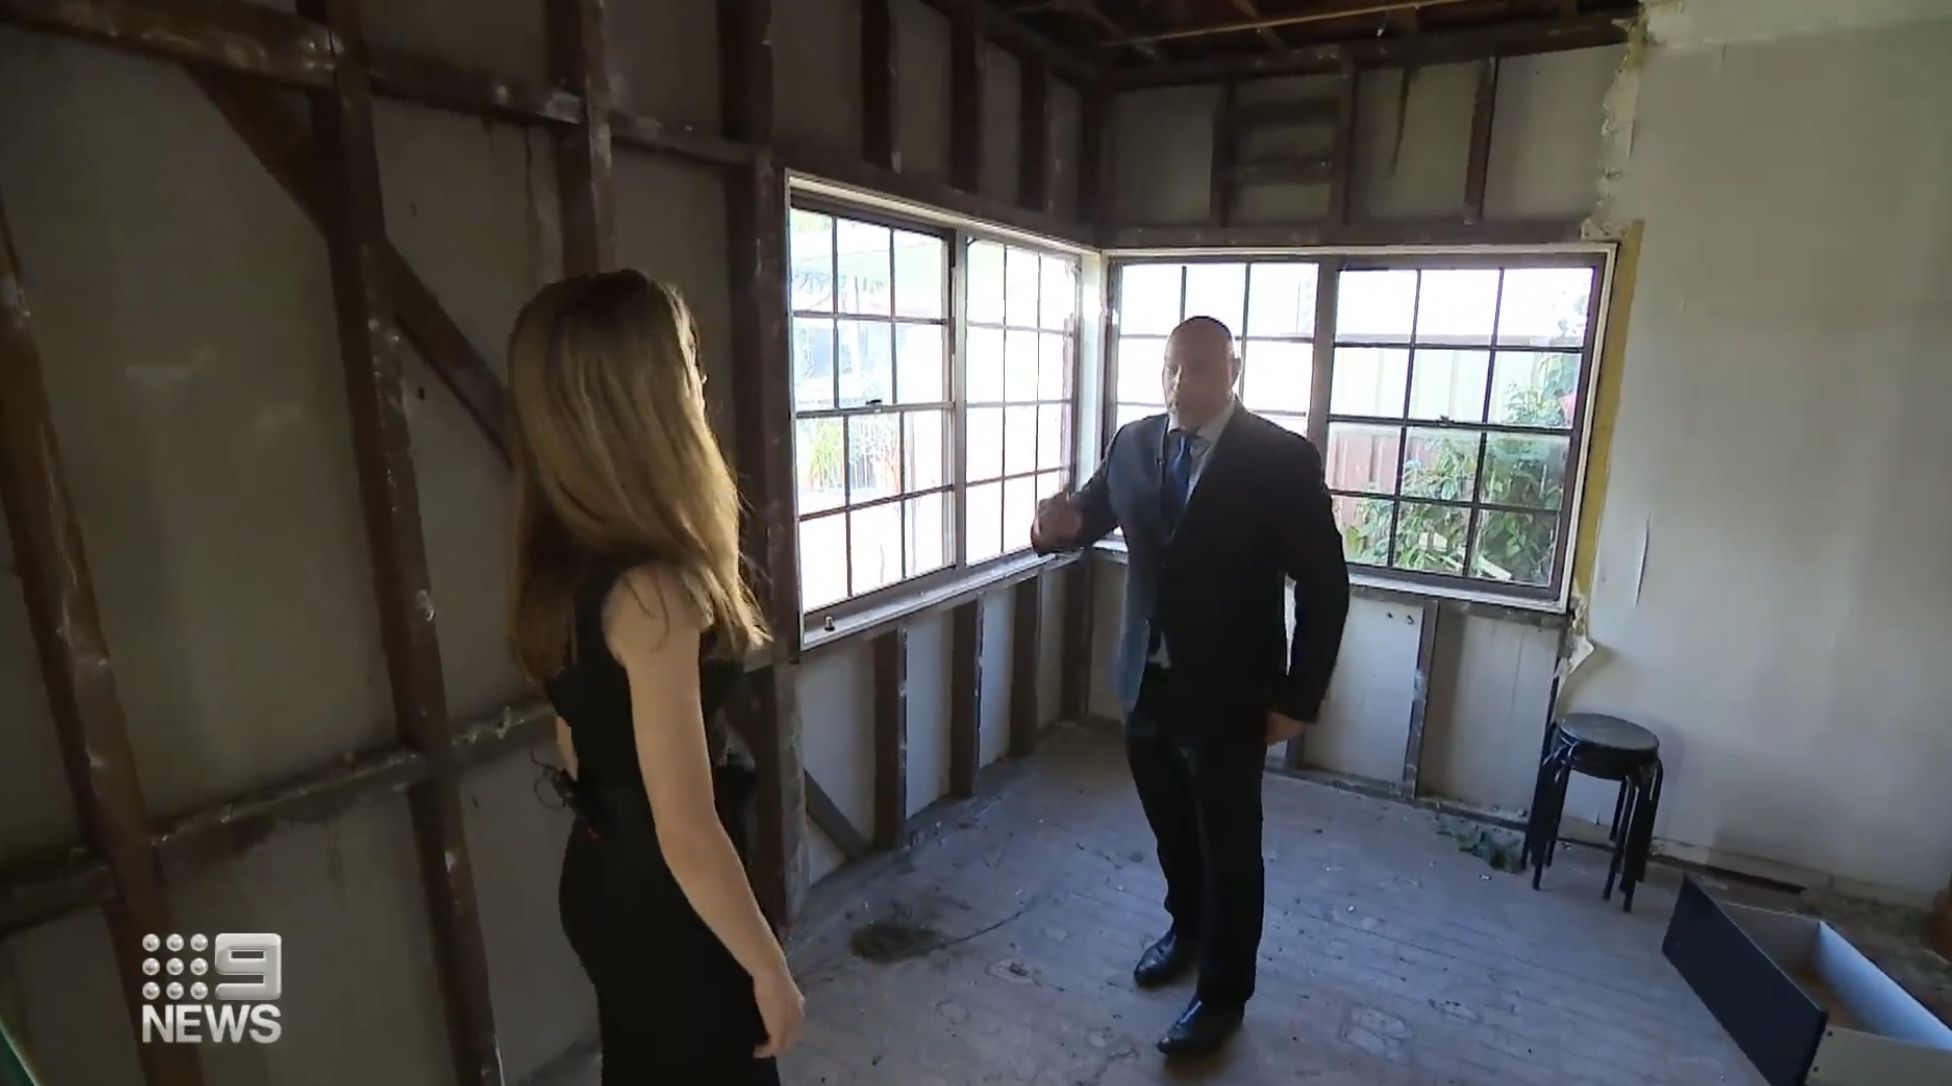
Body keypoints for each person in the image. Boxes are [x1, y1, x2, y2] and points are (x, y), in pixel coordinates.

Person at [505, 270, 803, 1083]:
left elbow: (575, 744)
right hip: (667, 902)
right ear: (646, 402)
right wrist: (770, 969)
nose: (698, 381)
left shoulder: (559, 565)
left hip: (599, 873)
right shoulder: (652, 592)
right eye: (685, 363)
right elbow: (688, 832)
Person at [1031, 315, 1350, 1057]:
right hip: (1146, 680)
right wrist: (1053, 526)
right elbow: (1087, 518)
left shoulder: (1280, 459)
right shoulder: (1133, 443)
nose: (1181, 382)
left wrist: (1298, 698)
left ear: (1233, 371)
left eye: (1200, 367)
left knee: (1231, 845)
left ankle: (1223, 995)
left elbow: (1325, 584)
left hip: (1233, 691)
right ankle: (1187, 926)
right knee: (1171, 824)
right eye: (1172, 367)